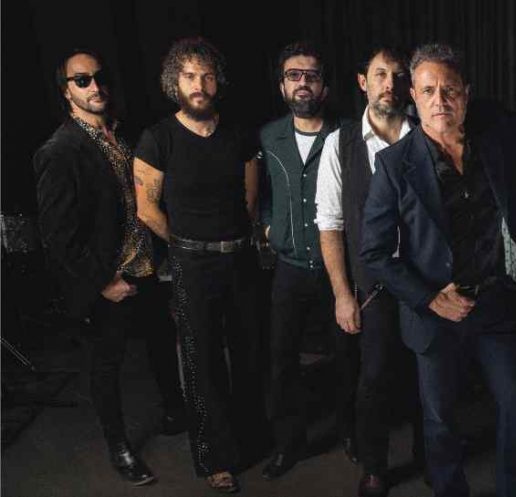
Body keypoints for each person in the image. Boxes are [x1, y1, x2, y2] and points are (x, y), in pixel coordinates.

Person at [360, 42, 516, 497]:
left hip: (494, 304)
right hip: (434, 314)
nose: (440, 100)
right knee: (440, 422)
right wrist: (430, 298)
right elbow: (374, 253)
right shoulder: (394, 165)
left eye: (450, 90)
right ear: (413, 98)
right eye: (428, 91)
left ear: (466, 94)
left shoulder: (494, 143)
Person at [33, 48, 185, 487]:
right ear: (66, 92)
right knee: (107, 366)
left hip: (147, 266)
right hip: (109, 278)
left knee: (161, 345)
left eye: (99, 77)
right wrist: (102, 282)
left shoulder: (125, 134)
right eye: (82, 81)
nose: (94, 87)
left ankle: (175, 413)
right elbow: (57, 235)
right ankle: (119, 447)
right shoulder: (60, 151)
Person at [133, 37, 265, 493]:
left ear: (217, 81)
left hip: (239, 258)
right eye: (189, 76)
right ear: (175, 82)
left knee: (249, 353)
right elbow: (147, 209)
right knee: (202, 362)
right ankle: (215, 458)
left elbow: (249, 200)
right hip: (191, 263)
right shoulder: (158, 138)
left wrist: (230, 239)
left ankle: (251, 440)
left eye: (207, 76)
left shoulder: (238, 135)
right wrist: (187, 244)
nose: (199, 85)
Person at [315, 45, 422, 497]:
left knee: (427, 373)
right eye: (380, 74)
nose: (389, 84)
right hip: (372, 285)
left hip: (424, 280)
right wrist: (343, 293)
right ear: (363, 82)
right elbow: (330, 224)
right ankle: (375, 467)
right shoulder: (339, 144)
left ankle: (429, 456)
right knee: (374, 377)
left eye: (398, 76)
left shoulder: (426, 133)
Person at [258, 40, 358, 480]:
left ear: (325, 87)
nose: (303, 83)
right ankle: (289, 443)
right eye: (293, 75)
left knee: (347, 356)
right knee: (282, 359)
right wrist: (268, 226)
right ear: (282, 86)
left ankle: (351, 432)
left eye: (312, 76)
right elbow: (261, 192)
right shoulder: (269, 136)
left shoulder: (348, 134)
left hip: (340, 270)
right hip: (290, 269)